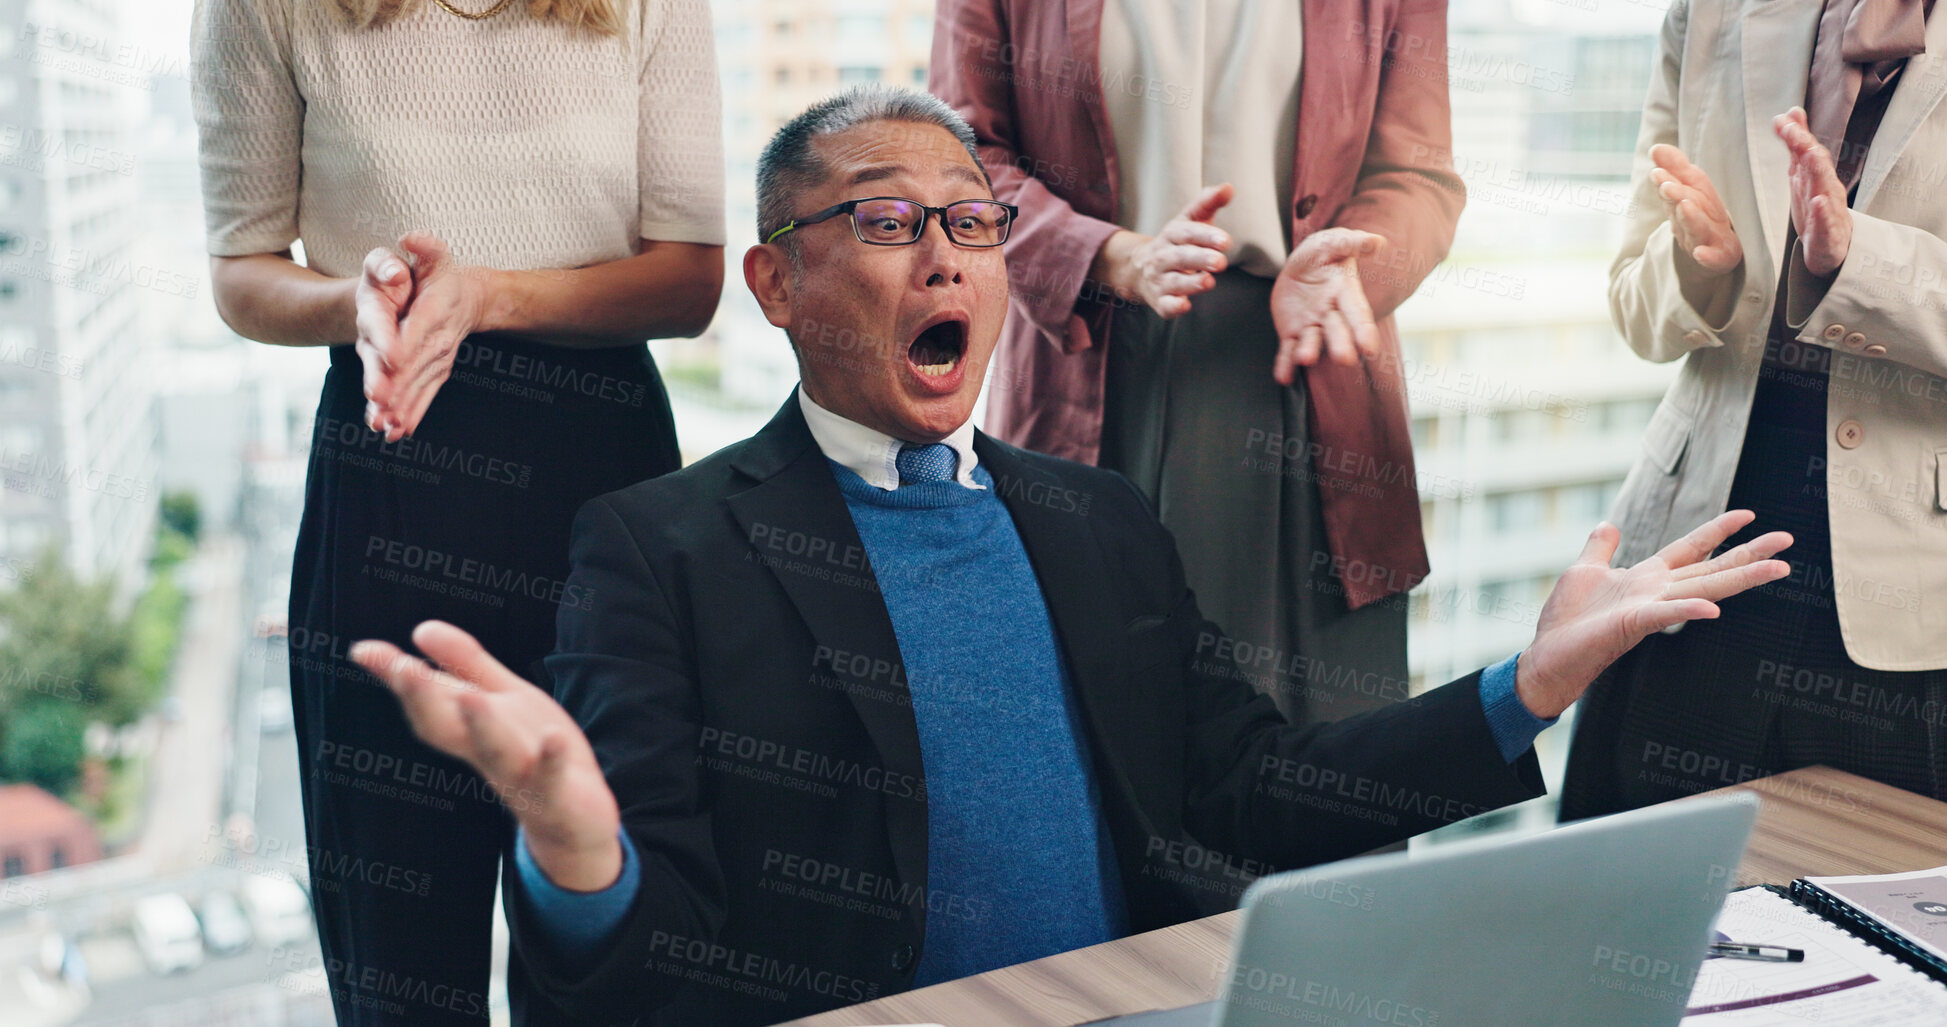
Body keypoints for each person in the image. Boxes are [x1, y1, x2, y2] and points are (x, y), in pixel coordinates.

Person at [348, 87, 1791, 1027]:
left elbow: (1250, 795)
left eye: (972, 223)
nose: (946, 258)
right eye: (884, 223)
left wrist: (1522, 686)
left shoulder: (1092, 519)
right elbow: (652, 967)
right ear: (775, 282)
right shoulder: (656, 547)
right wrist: (567, 835)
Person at [190, 0, 724, 1022]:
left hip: (606, 482)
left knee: (623, 916)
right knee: (396, 954)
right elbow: (241, 270)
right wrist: (355, 304)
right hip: (390, 460)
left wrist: (488, 297)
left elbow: (691, 280)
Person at [926, 0, 1466, 725]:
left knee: (1322, 768)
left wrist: (1352, 271)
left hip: (1307, 371)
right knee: (1093, 742)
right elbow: (957, 163)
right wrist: (1111, 256)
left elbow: (1419, 174)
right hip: (1089, 359)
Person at [1560, 0, 1947, 819]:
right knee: (1630, 911)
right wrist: (1705, 269)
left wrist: (1854, 260)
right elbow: (1635, 305)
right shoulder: (1708, 11)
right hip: (1693, 559)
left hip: (1915, 598)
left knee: (1874, 930)